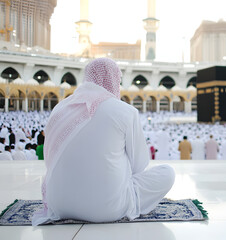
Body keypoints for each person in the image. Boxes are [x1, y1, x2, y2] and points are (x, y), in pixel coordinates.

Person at [32, 58, 175, 226]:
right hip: (107, 209)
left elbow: (50, 161)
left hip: (59, 204)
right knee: (167, 172)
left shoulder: (60, 108)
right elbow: (140, 165)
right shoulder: (126, 111)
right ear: (113, 80)